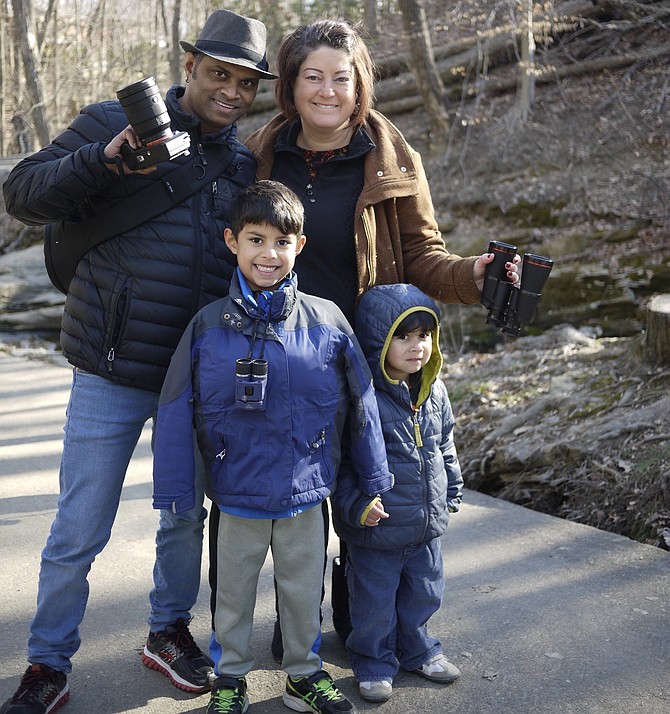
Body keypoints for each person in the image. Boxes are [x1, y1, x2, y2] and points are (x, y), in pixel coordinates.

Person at [0, 10, 277, 713]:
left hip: (191, 377)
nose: (231, 93)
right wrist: (101, 158)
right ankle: (47, 661)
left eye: (246, 84)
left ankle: (167, 631)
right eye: (219, 75)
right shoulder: (107, 123)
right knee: (79, 525)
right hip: (109, 364)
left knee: (182, 518)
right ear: (189, 67)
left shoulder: (241, 161)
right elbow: (21, 193)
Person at [240, 17, 520, 652]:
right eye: (313, 76)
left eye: (342, 77)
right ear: (290, 84)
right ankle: (298, 618)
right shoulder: (256, 154)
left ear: (361, 84)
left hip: (367, 358)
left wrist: (472, 277)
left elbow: (423, 255)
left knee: (370, 491)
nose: (328, 90)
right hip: (285, 354)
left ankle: (367, 621)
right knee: (300, 501)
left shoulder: (394, 158)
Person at [151, 179, 393, 714]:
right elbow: (174, 409)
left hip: (306, 494)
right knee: (231, 594)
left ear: (299, 246)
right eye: (256, 239)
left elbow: (362, 406)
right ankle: (231, 676)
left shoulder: (328, 321)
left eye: (281, 242)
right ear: (232, 240)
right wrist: (176, 488)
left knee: (304, 592)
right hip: (235, 495)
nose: (269, 253)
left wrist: (373, 483)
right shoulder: (208, 326)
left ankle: (303, 675)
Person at [331, 283, 463, 703]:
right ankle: (372, 660)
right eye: (402, 337)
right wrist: (356, 506)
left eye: (424, 336)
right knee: (373, 603)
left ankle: (419, 648)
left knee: (424, 592)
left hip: (425, 527)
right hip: (379, 528)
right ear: (377, 342)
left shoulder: (434, 391)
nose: (415, 346)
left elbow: (444, 444)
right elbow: (345, 464)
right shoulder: (361, 397)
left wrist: (452, 487)